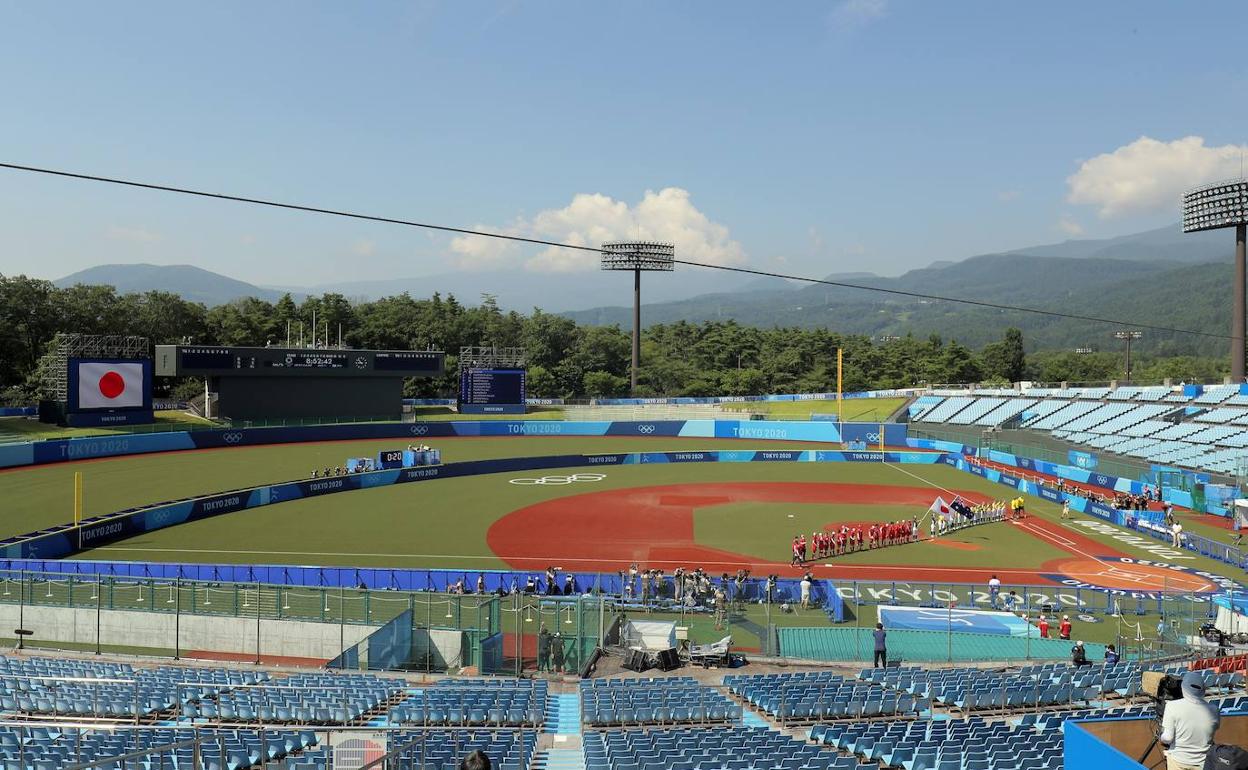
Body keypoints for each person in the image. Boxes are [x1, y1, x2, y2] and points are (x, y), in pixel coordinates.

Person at [1159, 672, 1220, 770]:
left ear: (1183, 687)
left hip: (1178, 761)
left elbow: (1167, 738)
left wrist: (1160, 737)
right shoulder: (1214, 710)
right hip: (1204, 763)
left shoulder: (1171, 706)